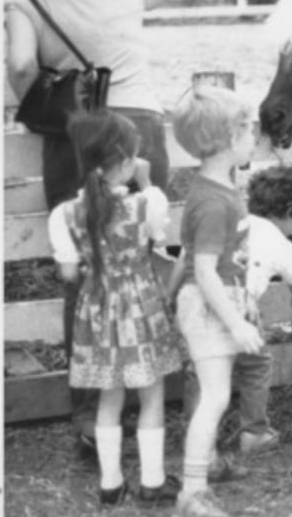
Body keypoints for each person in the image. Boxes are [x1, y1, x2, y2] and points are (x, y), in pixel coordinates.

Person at [4, 0, 223, 452]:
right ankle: (156, 389)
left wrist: (39, 101)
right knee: (146, 262)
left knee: (87, 271)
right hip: (140, 129)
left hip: (77, 136)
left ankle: (87, 413)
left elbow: (23, 65)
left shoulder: (28, 2)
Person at [47, 110, 182, 507]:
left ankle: (110, 484)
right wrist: (146, 182)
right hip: (142, 308)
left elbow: (69, 273)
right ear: (126, 161)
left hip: (98, 311)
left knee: (109, 398)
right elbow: (157, 239)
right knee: (152, 395)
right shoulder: (148, 203)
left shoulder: (64, 214)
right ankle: (153, 481)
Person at [178, 162, 292, 467]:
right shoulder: (279, 243)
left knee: (200, 371)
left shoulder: (234, 219)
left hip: (202, 300)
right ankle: (254, 431)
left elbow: (189, 258)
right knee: (257, 365)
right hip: (236, 307)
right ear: (287, 211)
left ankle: (198, 435)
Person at [171, 86, 264, 517]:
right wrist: (237, 323)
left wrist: (243, 302)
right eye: (249, 131)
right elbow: (203, 270)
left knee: (216, 393)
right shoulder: (212, 202)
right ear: (230, 139)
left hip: (218, 300)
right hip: (210, 305)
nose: (254, 139)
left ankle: (203, 465)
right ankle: (192, 492)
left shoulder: (218, 186)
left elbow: (193, 256)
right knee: (214, 397)